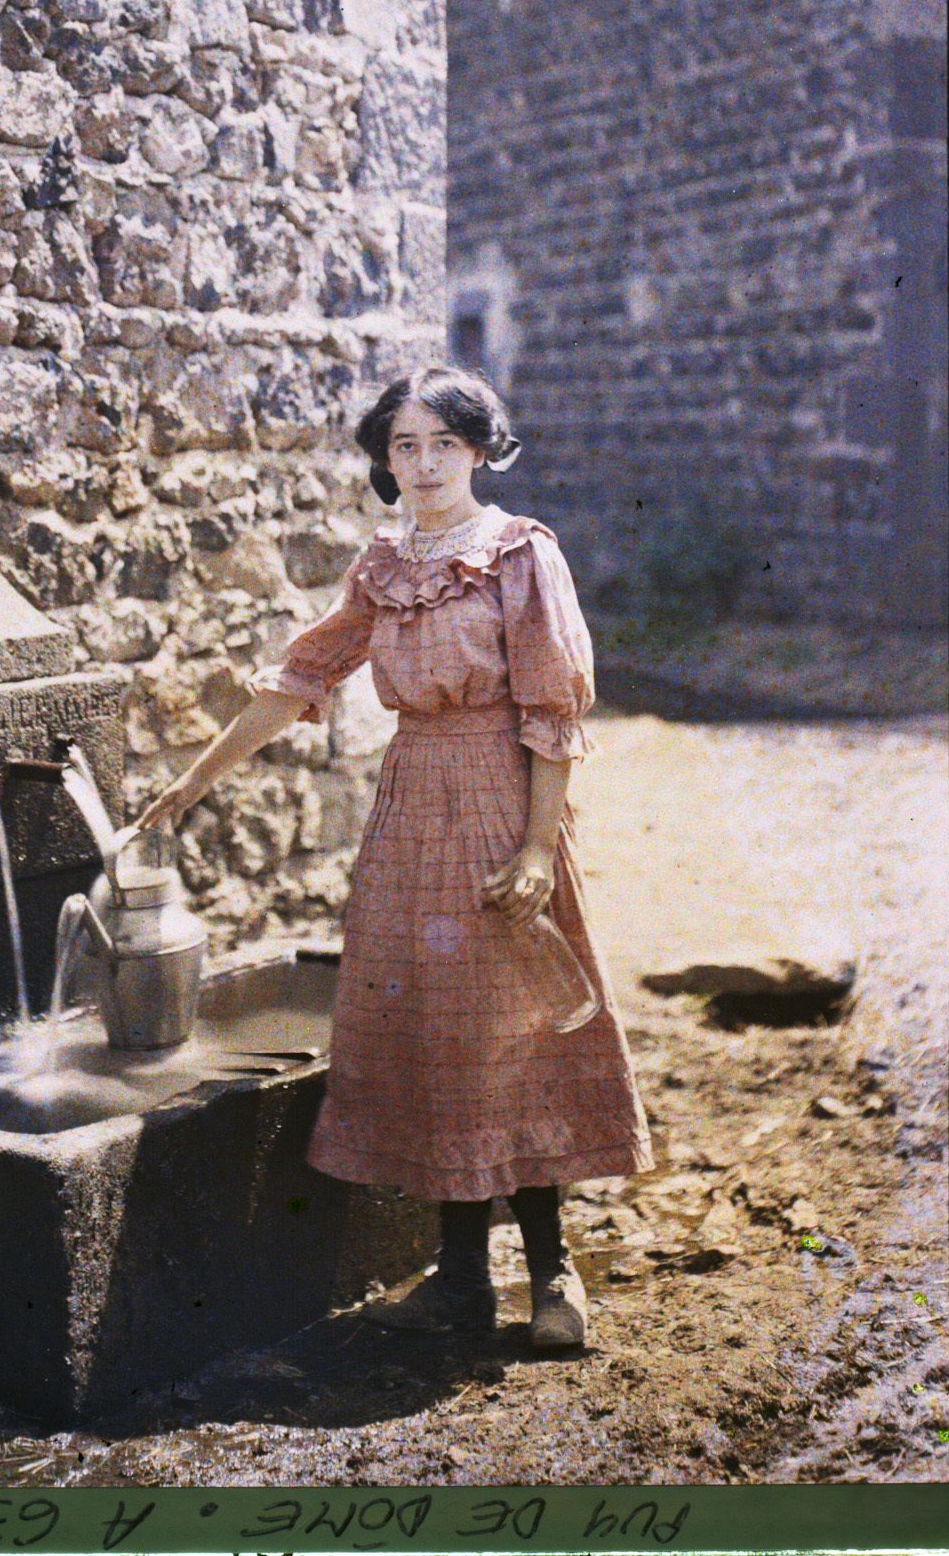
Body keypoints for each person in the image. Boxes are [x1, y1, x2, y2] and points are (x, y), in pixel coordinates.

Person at [137, 365, 652, 1347]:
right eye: (404, 447)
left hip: (500, 801)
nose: (423, 465)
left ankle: (552, 1276)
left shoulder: (520, 553)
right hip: (408, 810)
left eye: (442, 444)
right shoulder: (381, 567)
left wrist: (536, 848)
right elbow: (297, 678)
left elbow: (553, 712)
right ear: (384, 459)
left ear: (478, 450)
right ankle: (460, 1278)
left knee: (509, 1029)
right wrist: (189, 785)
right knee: (430, 1032)